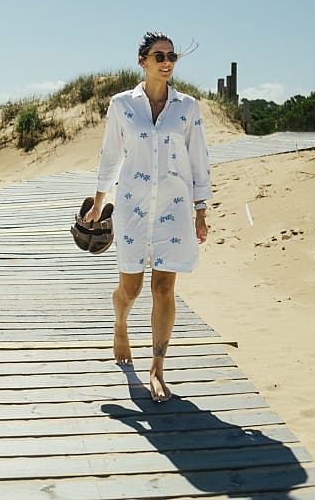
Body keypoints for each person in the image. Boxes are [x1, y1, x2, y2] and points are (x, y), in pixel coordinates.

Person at [84, 31, 211, 402]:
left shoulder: (188, 108)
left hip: (173, 207)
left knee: (164, 288)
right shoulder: (122, 105)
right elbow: (110, 156)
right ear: (143, 61)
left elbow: (199, 158)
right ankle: (120, 324)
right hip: (132, 206)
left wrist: (201, 210)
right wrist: (97, 201)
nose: (167, 61)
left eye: (172, 56)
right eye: (159, 56)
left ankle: (157, 368)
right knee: (132, 288)